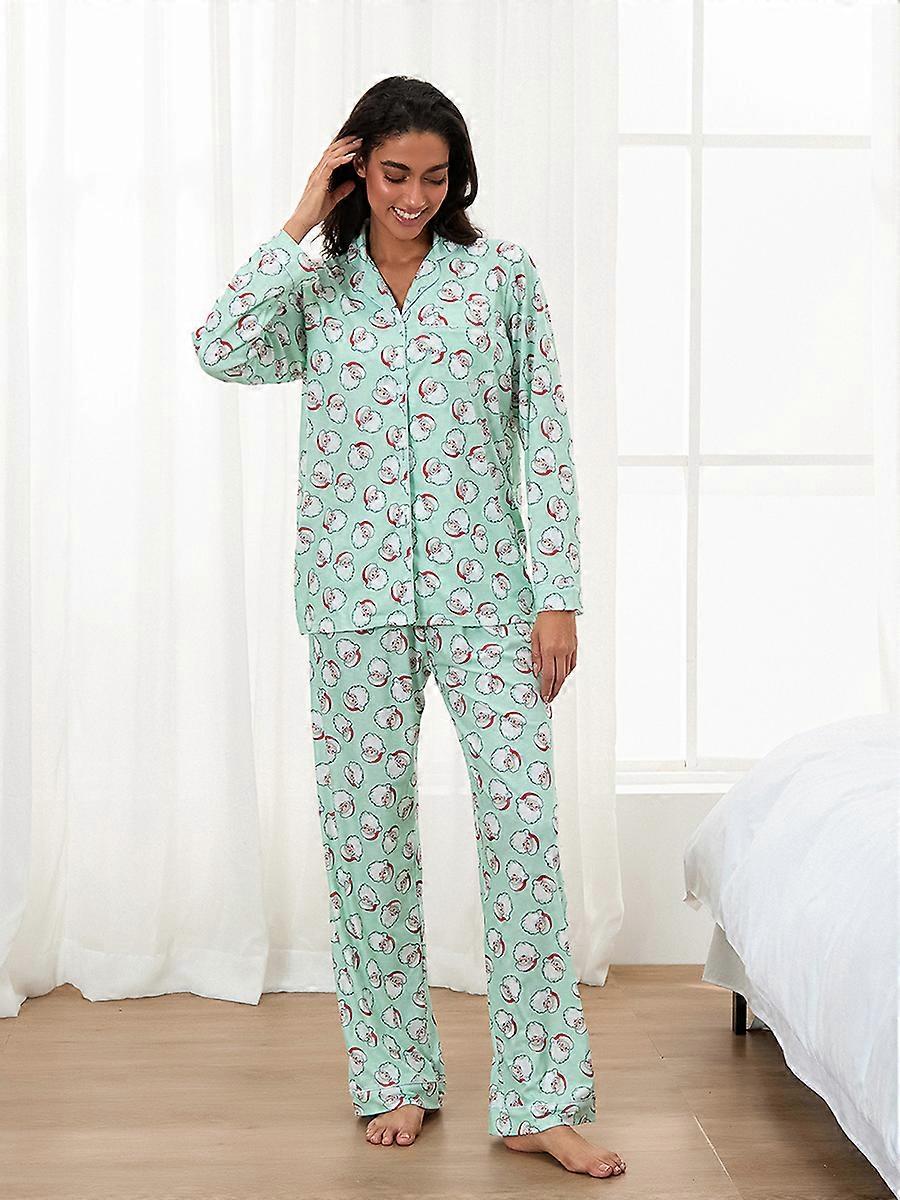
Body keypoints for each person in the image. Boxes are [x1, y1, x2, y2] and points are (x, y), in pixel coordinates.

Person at [190, 75, 625, 1180]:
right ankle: (393, 1074)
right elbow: (218, 347)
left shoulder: (502, 280)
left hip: (490, 599)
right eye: (393, 174)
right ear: (357, 169)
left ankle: (540, 1099)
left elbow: (544, 439)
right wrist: (300, 216)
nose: (415, 197)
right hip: (353, 601)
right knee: (366, 840)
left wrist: (559, 593)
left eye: (435, 177)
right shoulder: (316, 289)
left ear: (458, 178)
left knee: (522, 829)